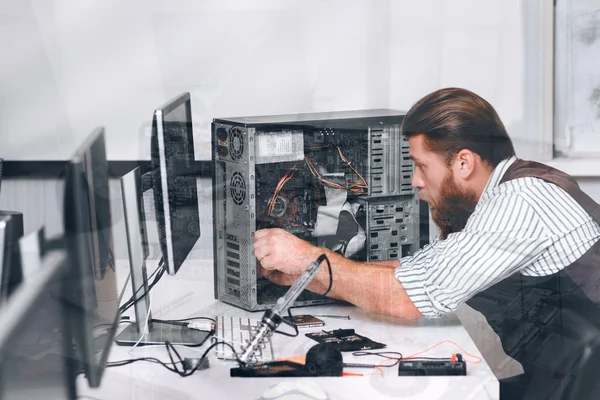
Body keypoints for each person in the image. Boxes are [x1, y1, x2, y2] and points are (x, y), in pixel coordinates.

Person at [254, 87, 600, 399]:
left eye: (421, 165)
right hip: (562, 378)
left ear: (463, 162)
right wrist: (308, 276)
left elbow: (409, 295)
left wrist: (307, 257)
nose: (415, 181)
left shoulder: (522, 199)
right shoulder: (497, 199)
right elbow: (413, 269)